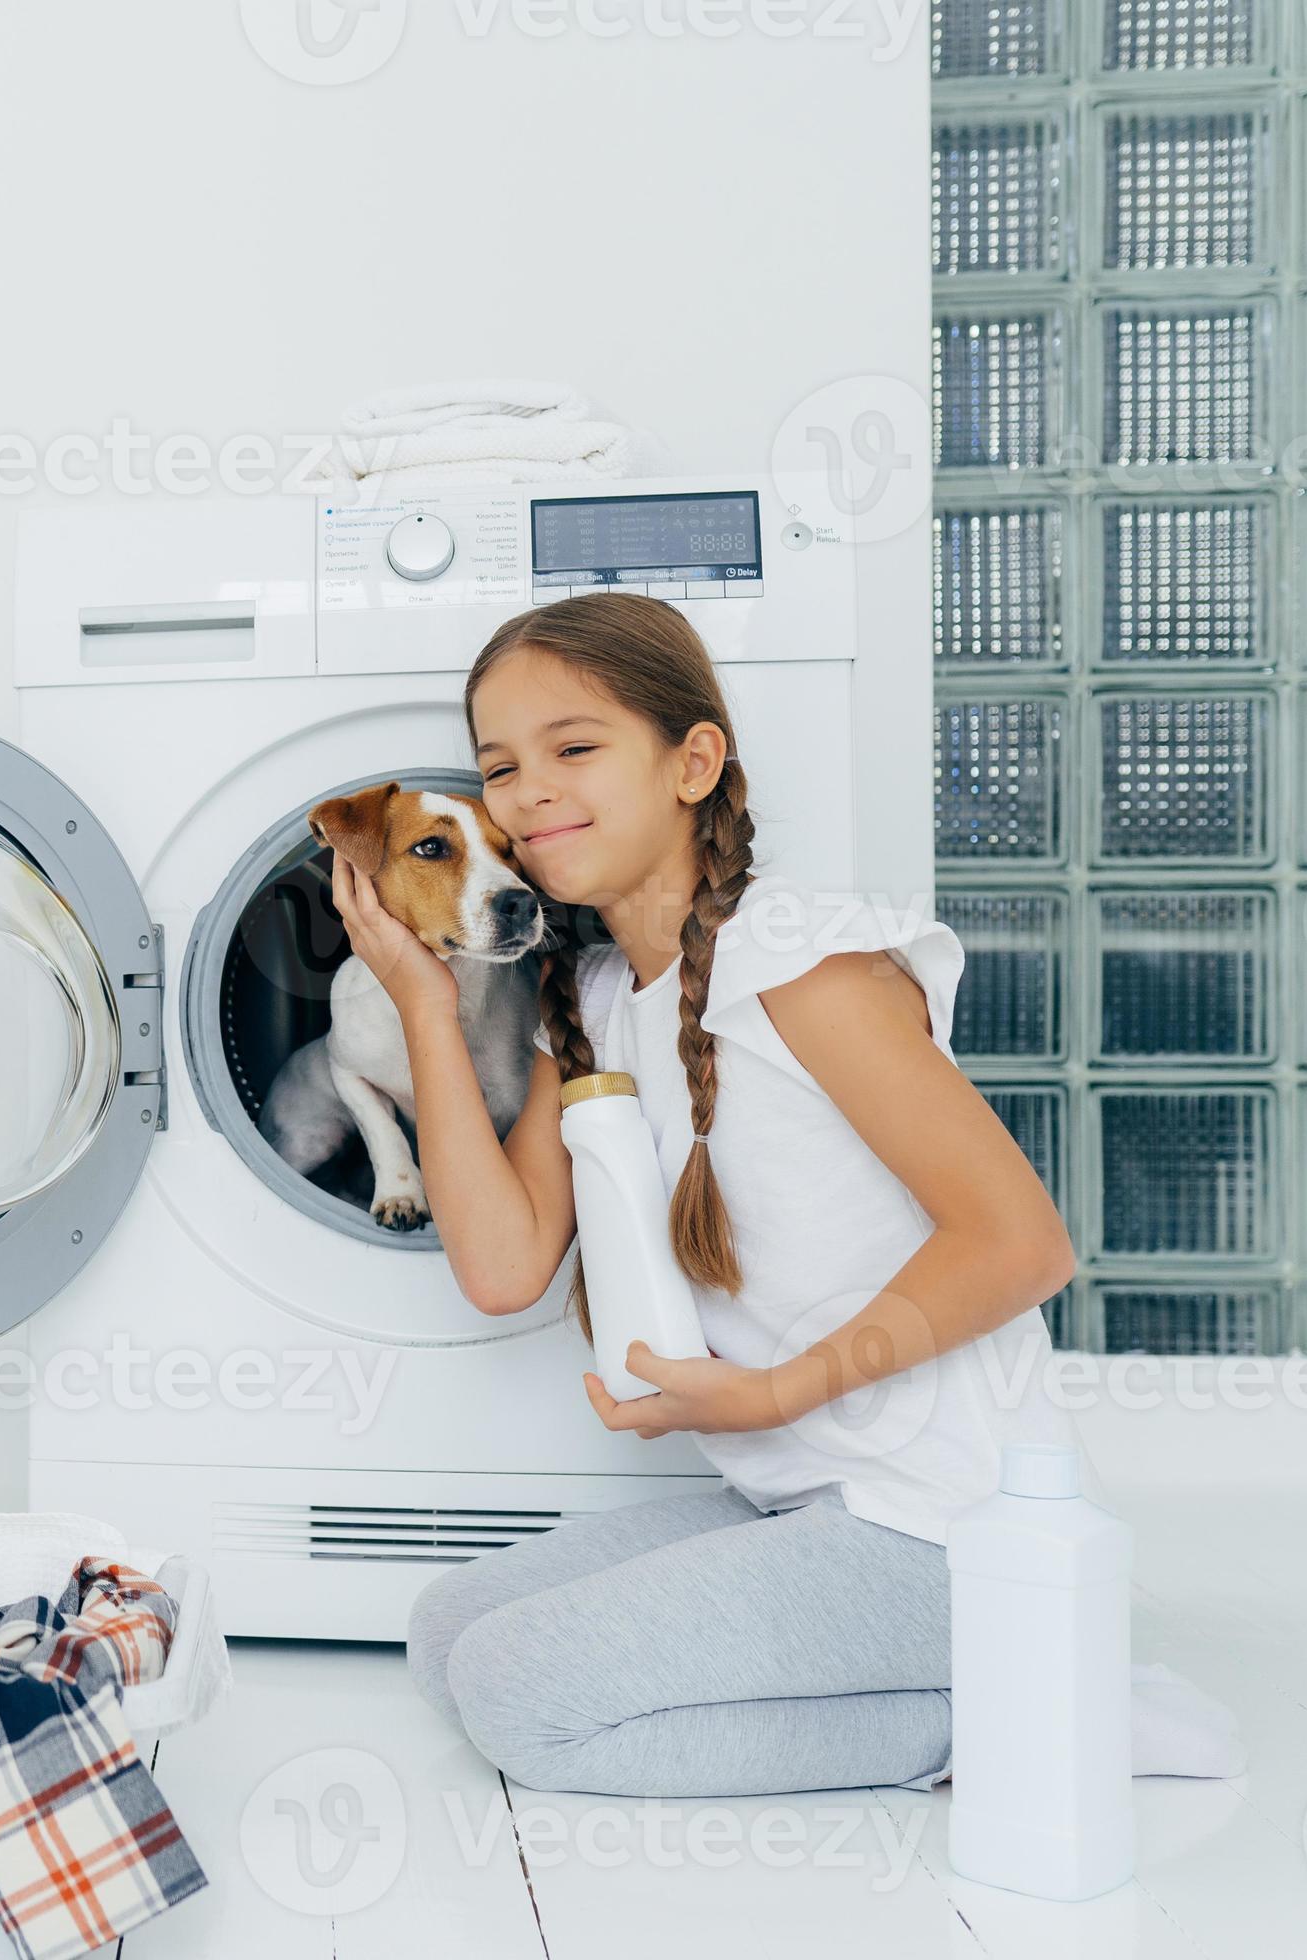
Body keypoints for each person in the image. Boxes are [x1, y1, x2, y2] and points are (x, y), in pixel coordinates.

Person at [331, 591, 1074, 1798]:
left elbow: (1023, 1243)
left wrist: (772, 1393)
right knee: (447, 1635)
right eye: (499, 768)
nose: (528, 793)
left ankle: (1028, 1711)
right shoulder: (597, 994)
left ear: (693, 761)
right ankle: (963, 1680)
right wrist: (422, 997)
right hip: (805, 1508)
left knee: (523, 1693)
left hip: (952, 1526)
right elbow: (502, 1267)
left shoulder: (807, 963)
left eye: (575, 747)